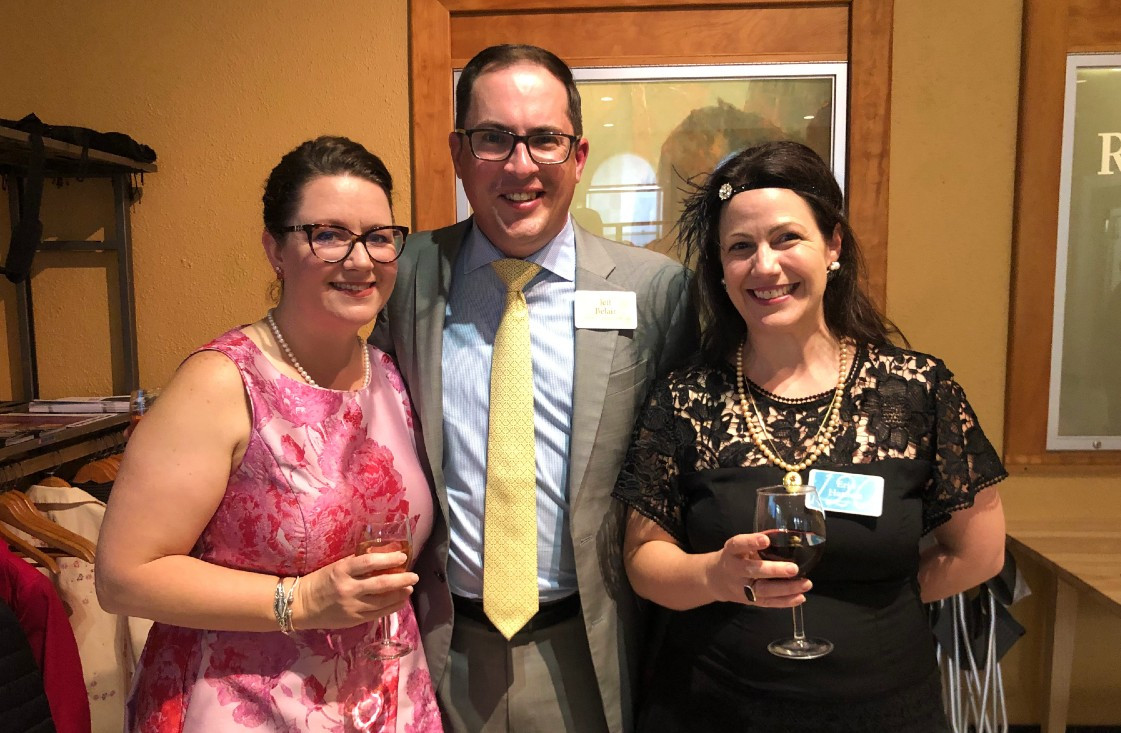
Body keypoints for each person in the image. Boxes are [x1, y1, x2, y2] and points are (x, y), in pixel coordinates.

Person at [613, 140, 1007, 732]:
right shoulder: (685, 398)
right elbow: (643, 560)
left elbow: (979, 553)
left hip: (883, 710)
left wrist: (875, 600)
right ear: (720, 268)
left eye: (786, 238)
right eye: (740, 247)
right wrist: (715, 576)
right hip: (714, 708)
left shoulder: (915, 390)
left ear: (833, 245)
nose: (764, 266)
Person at [372, 45, 695, 733]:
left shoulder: (656, 292)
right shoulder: (402, 276)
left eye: (545, 138)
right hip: (439, 646)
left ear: (578, 156)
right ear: (459, 154)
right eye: (494, 138)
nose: (521, 165)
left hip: (589, 650)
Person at [96, 136, 442, 732]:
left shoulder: (389, 374)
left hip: (386, 700)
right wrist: (300, 602)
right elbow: (123, 576)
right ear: (275, 250)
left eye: (379, 237)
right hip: (245, 706)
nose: (360, 260)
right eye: (328, 235)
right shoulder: (222, 382)